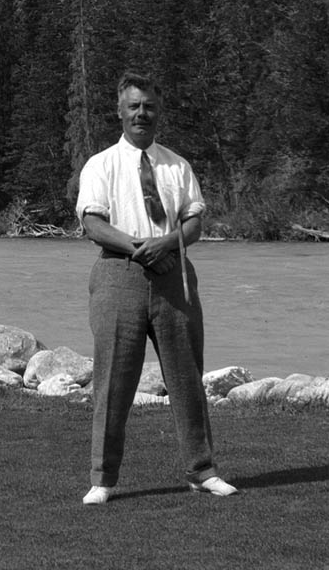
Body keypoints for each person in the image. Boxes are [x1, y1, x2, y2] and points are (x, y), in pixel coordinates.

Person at [74, 71, 238, 505]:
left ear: (158, 112)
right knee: (113, 381)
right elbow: (92, 223)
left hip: (174, 274)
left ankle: (201, 472)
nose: (141, 114)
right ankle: (102, 479)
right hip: (118, 274)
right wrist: (137, 247)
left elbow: (195, 221)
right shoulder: (100, 165)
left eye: (148, 106)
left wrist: (166, 244)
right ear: (120, 112)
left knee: (187, 378)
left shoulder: (177, 165)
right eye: (134, 106)